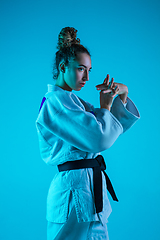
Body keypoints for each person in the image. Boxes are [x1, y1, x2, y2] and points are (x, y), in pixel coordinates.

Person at [36, 27, 140, 240]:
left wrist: (123, 94)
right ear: (63, 67)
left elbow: (109, 128)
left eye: (89, 70)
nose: (86, 77)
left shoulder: (74, 102)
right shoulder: (55, 104)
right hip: (73, 192)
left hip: (88, 187)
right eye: (81, 69)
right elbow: (99, 138)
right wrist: (105, 107)